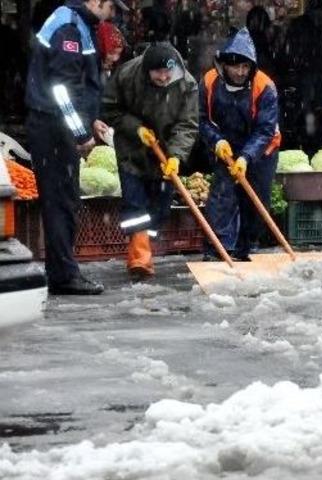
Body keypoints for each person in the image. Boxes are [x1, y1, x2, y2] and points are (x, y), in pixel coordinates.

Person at [25, 0, 127, 295]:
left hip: (55, 125)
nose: (112, 15)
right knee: (61, 202)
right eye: (111, 7)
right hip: (53, 129)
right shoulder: (69, 28)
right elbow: (62, 91)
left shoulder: (75, 22)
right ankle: (64, 275)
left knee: (63, 200)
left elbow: (76, 86)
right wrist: (81, 133)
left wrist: (90, 120)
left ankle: (62, 270)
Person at [100, 43, 198, 278]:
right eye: (157, 73)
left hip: (165, 148)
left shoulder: (187, 84)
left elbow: (187, 124)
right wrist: (136, 129)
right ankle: (139, 258)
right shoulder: (127, 75)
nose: (163, 77)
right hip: (132, 149)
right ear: (147, 70)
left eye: (167, 72)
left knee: (160, 206)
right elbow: (110, 109)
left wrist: (176, 156)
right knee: (135, 202)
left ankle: (146, 248)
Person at [198, 27, 280, 261]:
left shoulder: (265, 86)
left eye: (245, 67)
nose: (241, 72)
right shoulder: (209, 81)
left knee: (255, 201)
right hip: (225, 147)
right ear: (224, 64)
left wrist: (246, 157)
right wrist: (216, 140)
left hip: (261, 151)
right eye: (236, 66)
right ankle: (217, 250)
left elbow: (265, 130)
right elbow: (201, 119)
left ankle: (247, 249)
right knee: (221, 198)